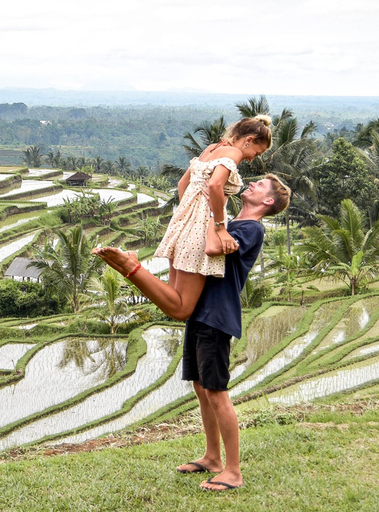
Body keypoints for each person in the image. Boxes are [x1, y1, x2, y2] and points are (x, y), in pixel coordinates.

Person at [94, 174, 291, 491]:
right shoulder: (227, 223)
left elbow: (212, 250)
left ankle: (233, 471)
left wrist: (210, 215)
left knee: (216, 391)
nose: (251, 185)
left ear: (268, 202)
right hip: (200, 312)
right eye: (252, 182)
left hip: (216, 315)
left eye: (259, 187)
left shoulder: (250, 229)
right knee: (201, 388)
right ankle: (212, 457)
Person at [101, 116, 273, 322]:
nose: (253, 158)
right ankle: (131, 266)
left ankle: (133, 266)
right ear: (249, 140)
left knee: (173, 297)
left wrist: (188, 216)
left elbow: (183, 183)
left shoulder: (211, 149)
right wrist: (219, 227)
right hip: (201, 230)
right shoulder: (234, 152)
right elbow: (215, 185)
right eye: (257, 152)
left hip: (184, 224)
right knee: (181, 310)